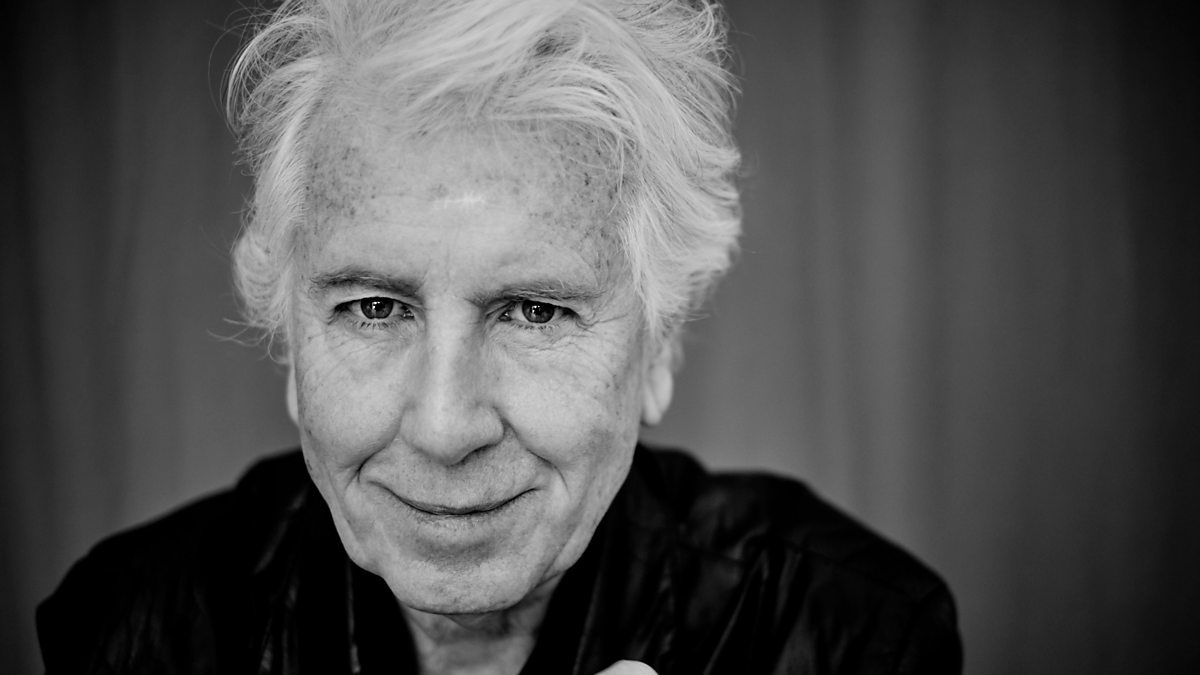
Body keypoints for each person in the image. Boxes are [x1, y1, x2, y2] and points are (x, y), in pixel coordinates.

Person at [37, 0, 962, 673]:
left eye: (535, 311)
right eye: (374, 307)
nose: (445, 427)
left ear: (659, 348)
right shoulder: (131, 631)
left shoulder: (848, 634)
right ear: (290, 342)